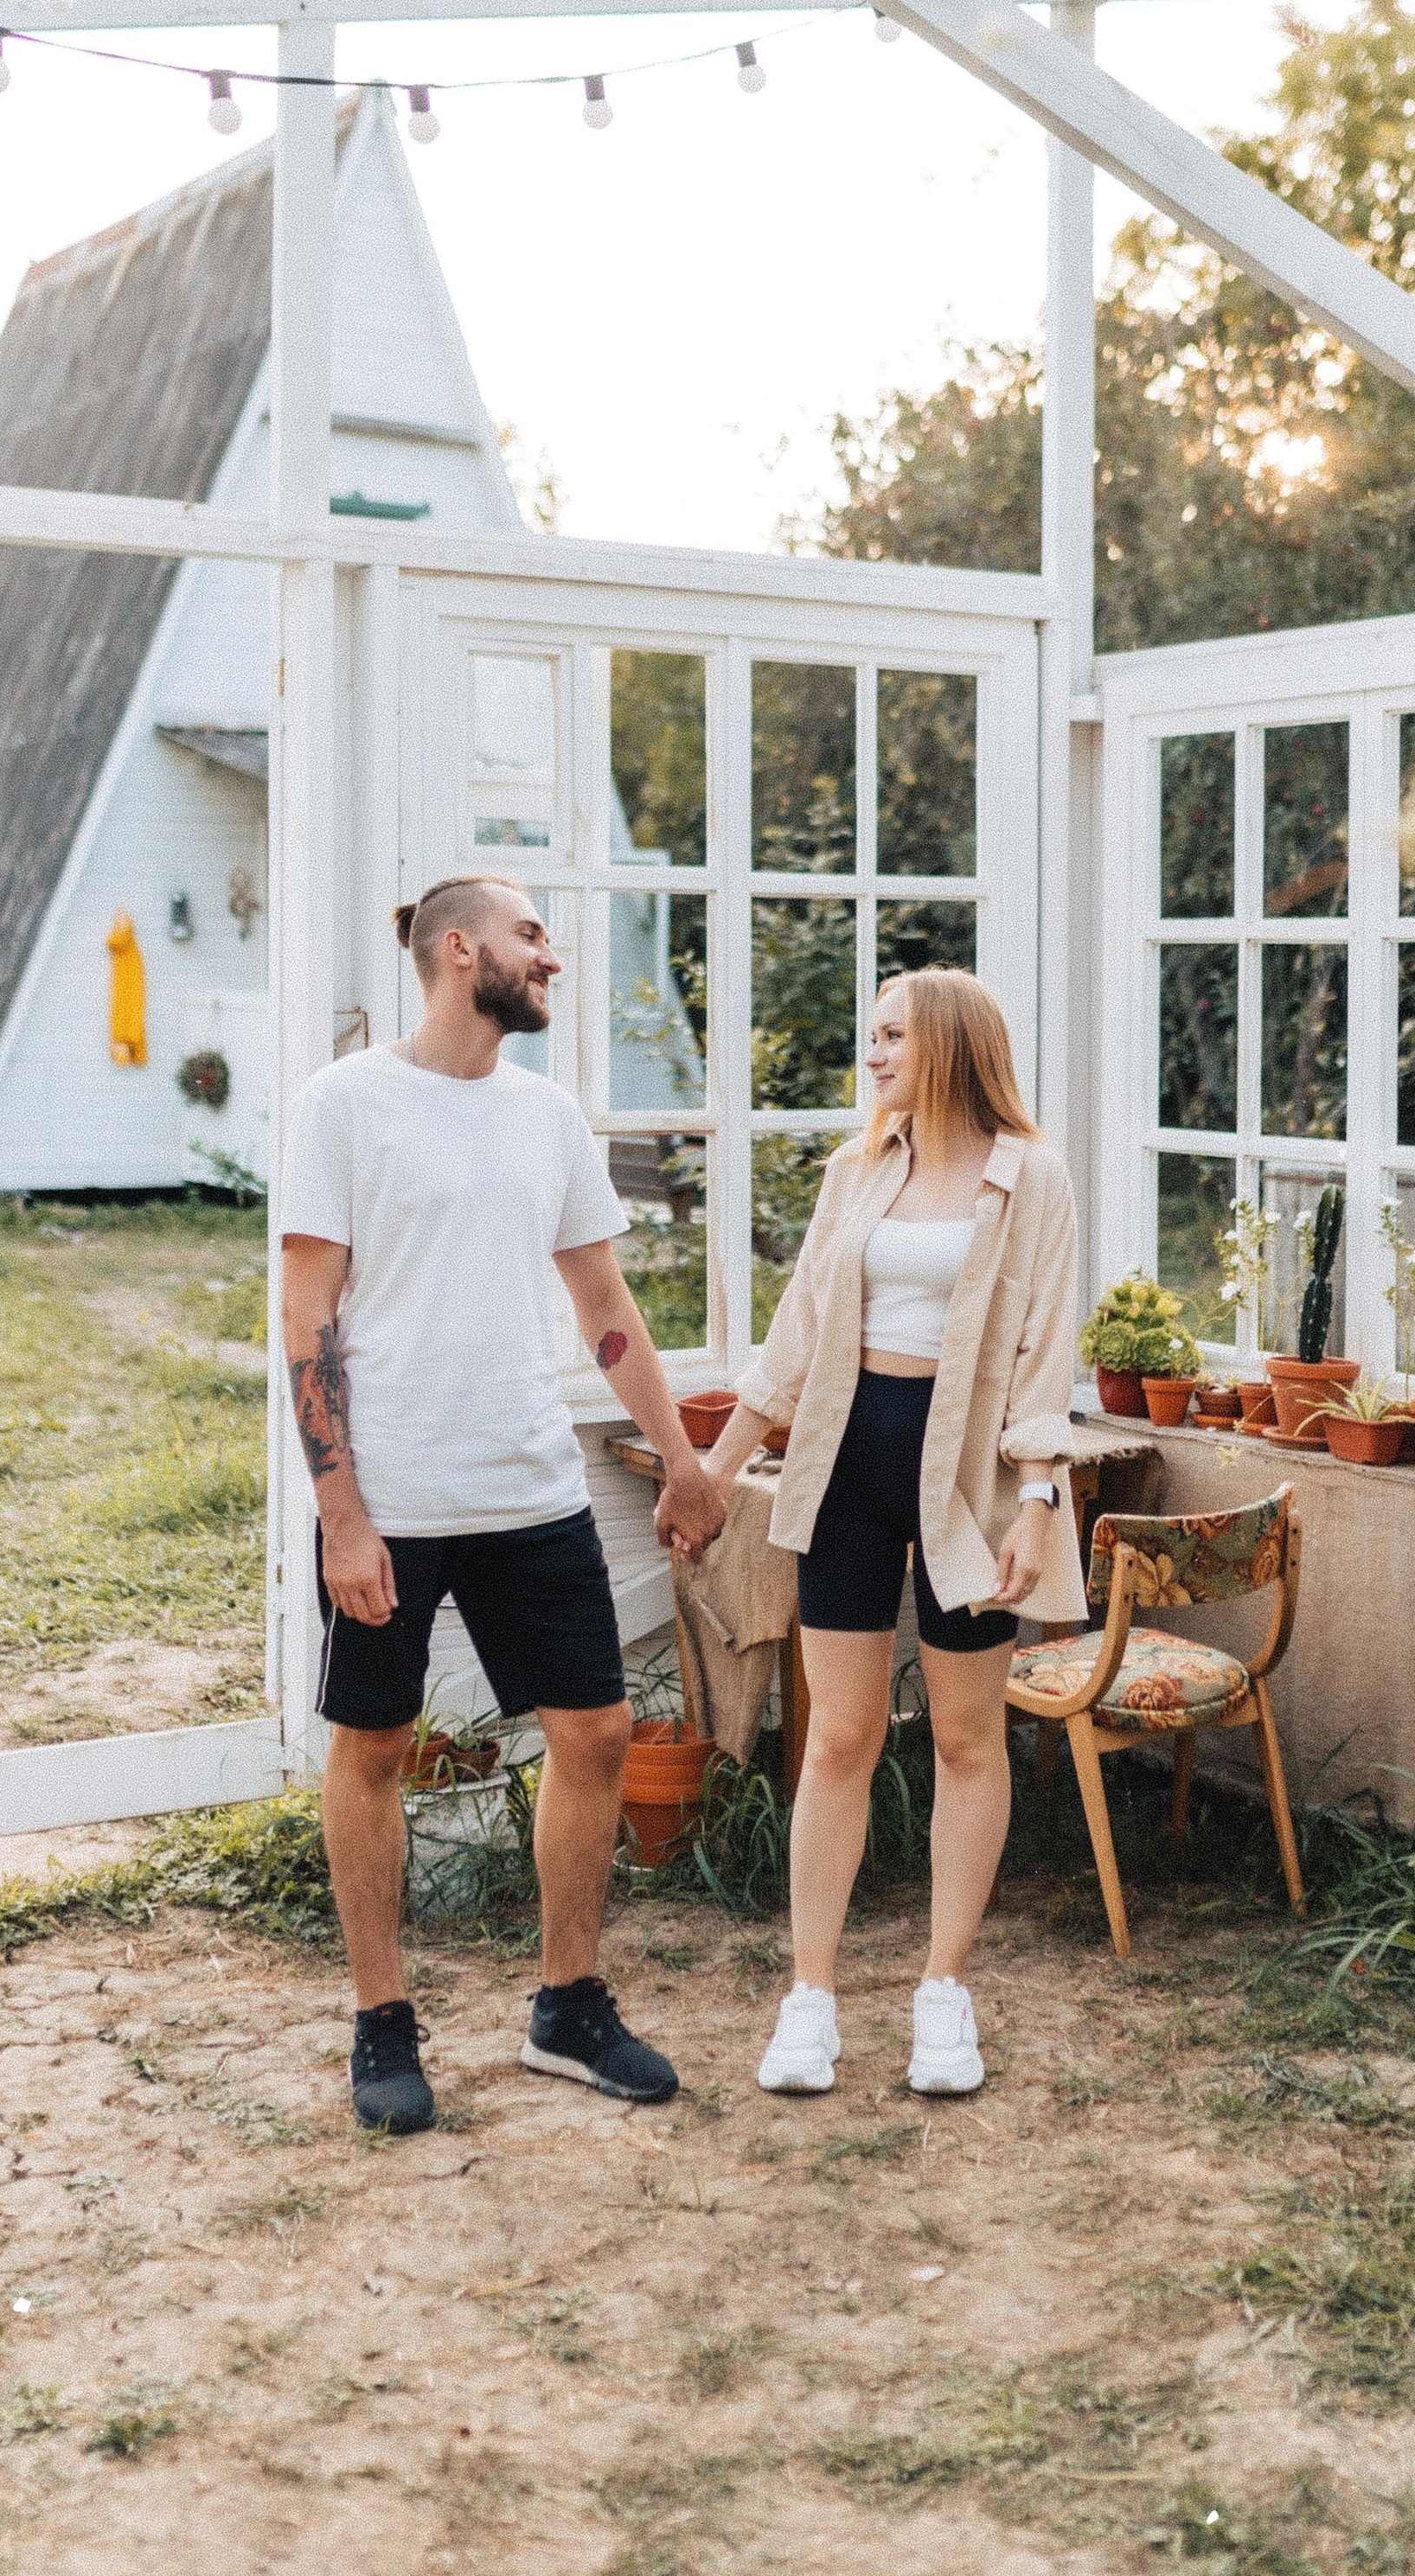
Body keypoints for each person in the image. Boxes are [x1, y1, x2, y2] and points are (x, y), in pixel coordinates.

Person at [281, 872, 727, 2137]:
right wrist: (342, 1514)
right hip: (396, 1501)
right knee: (373, 1747)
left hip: (529, 1484)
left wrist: (681, 1456)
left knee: (592, 1738)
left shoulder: (548, 1119)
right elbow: (306, 1321)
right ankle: (382, 2019)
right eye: (534, 936)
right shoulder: (347, 1106)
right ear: (460, 947)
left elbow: (605, 1310)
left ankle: (568, 2007)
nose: (553, 957)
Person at [670, 968, 1085, 2100]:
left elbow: (1047, 1358)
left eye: (893, 1035)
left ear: (950, 1043)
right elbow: (796, 1338)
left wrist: (1041, 1505)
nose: (876, 1054)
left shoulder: (1031, 1178)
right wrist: (711, 1474)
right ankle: (810, 1997)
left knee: (963, 1740)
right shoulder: (859, 1171)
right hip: (847, 1460)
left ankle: (943, 1993)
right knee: (841, 1739)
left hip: (975, 1478)